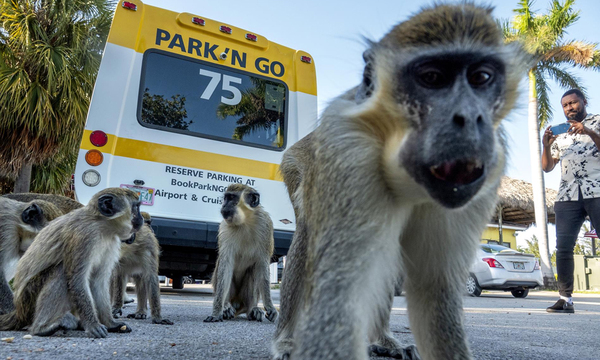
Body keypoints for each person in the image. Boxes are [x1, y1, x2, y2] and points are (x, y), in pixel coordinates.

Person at [541, 89, 600, 313]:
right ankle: (565, 300)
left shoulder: (597, 122)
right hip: (567, 196)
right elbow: (547, 167)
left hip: (597, 190)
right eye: (565, 105)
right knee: (563, 248)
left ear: (584, 101)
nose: (569, 108)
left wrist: (588, 131)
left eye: (573, 103)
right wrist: (546, 145)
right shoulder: (561, 132)